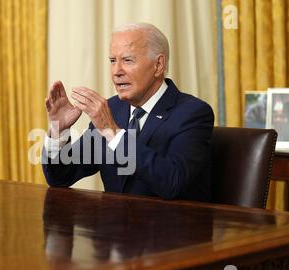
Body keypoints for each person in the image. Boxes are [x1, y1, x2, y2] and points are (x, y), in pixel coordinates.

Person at [42, 23, 214, 201]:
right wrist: (58, 131)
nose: (116, 71)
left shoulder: (193, 113)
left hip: (169, 226)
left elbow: (172, 182)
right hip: (114, 226)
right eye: (112, 61)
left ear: (158, 65)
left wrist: (113, 132)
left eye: (127, 60)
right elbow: (60, 177)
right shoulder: (112, 109)